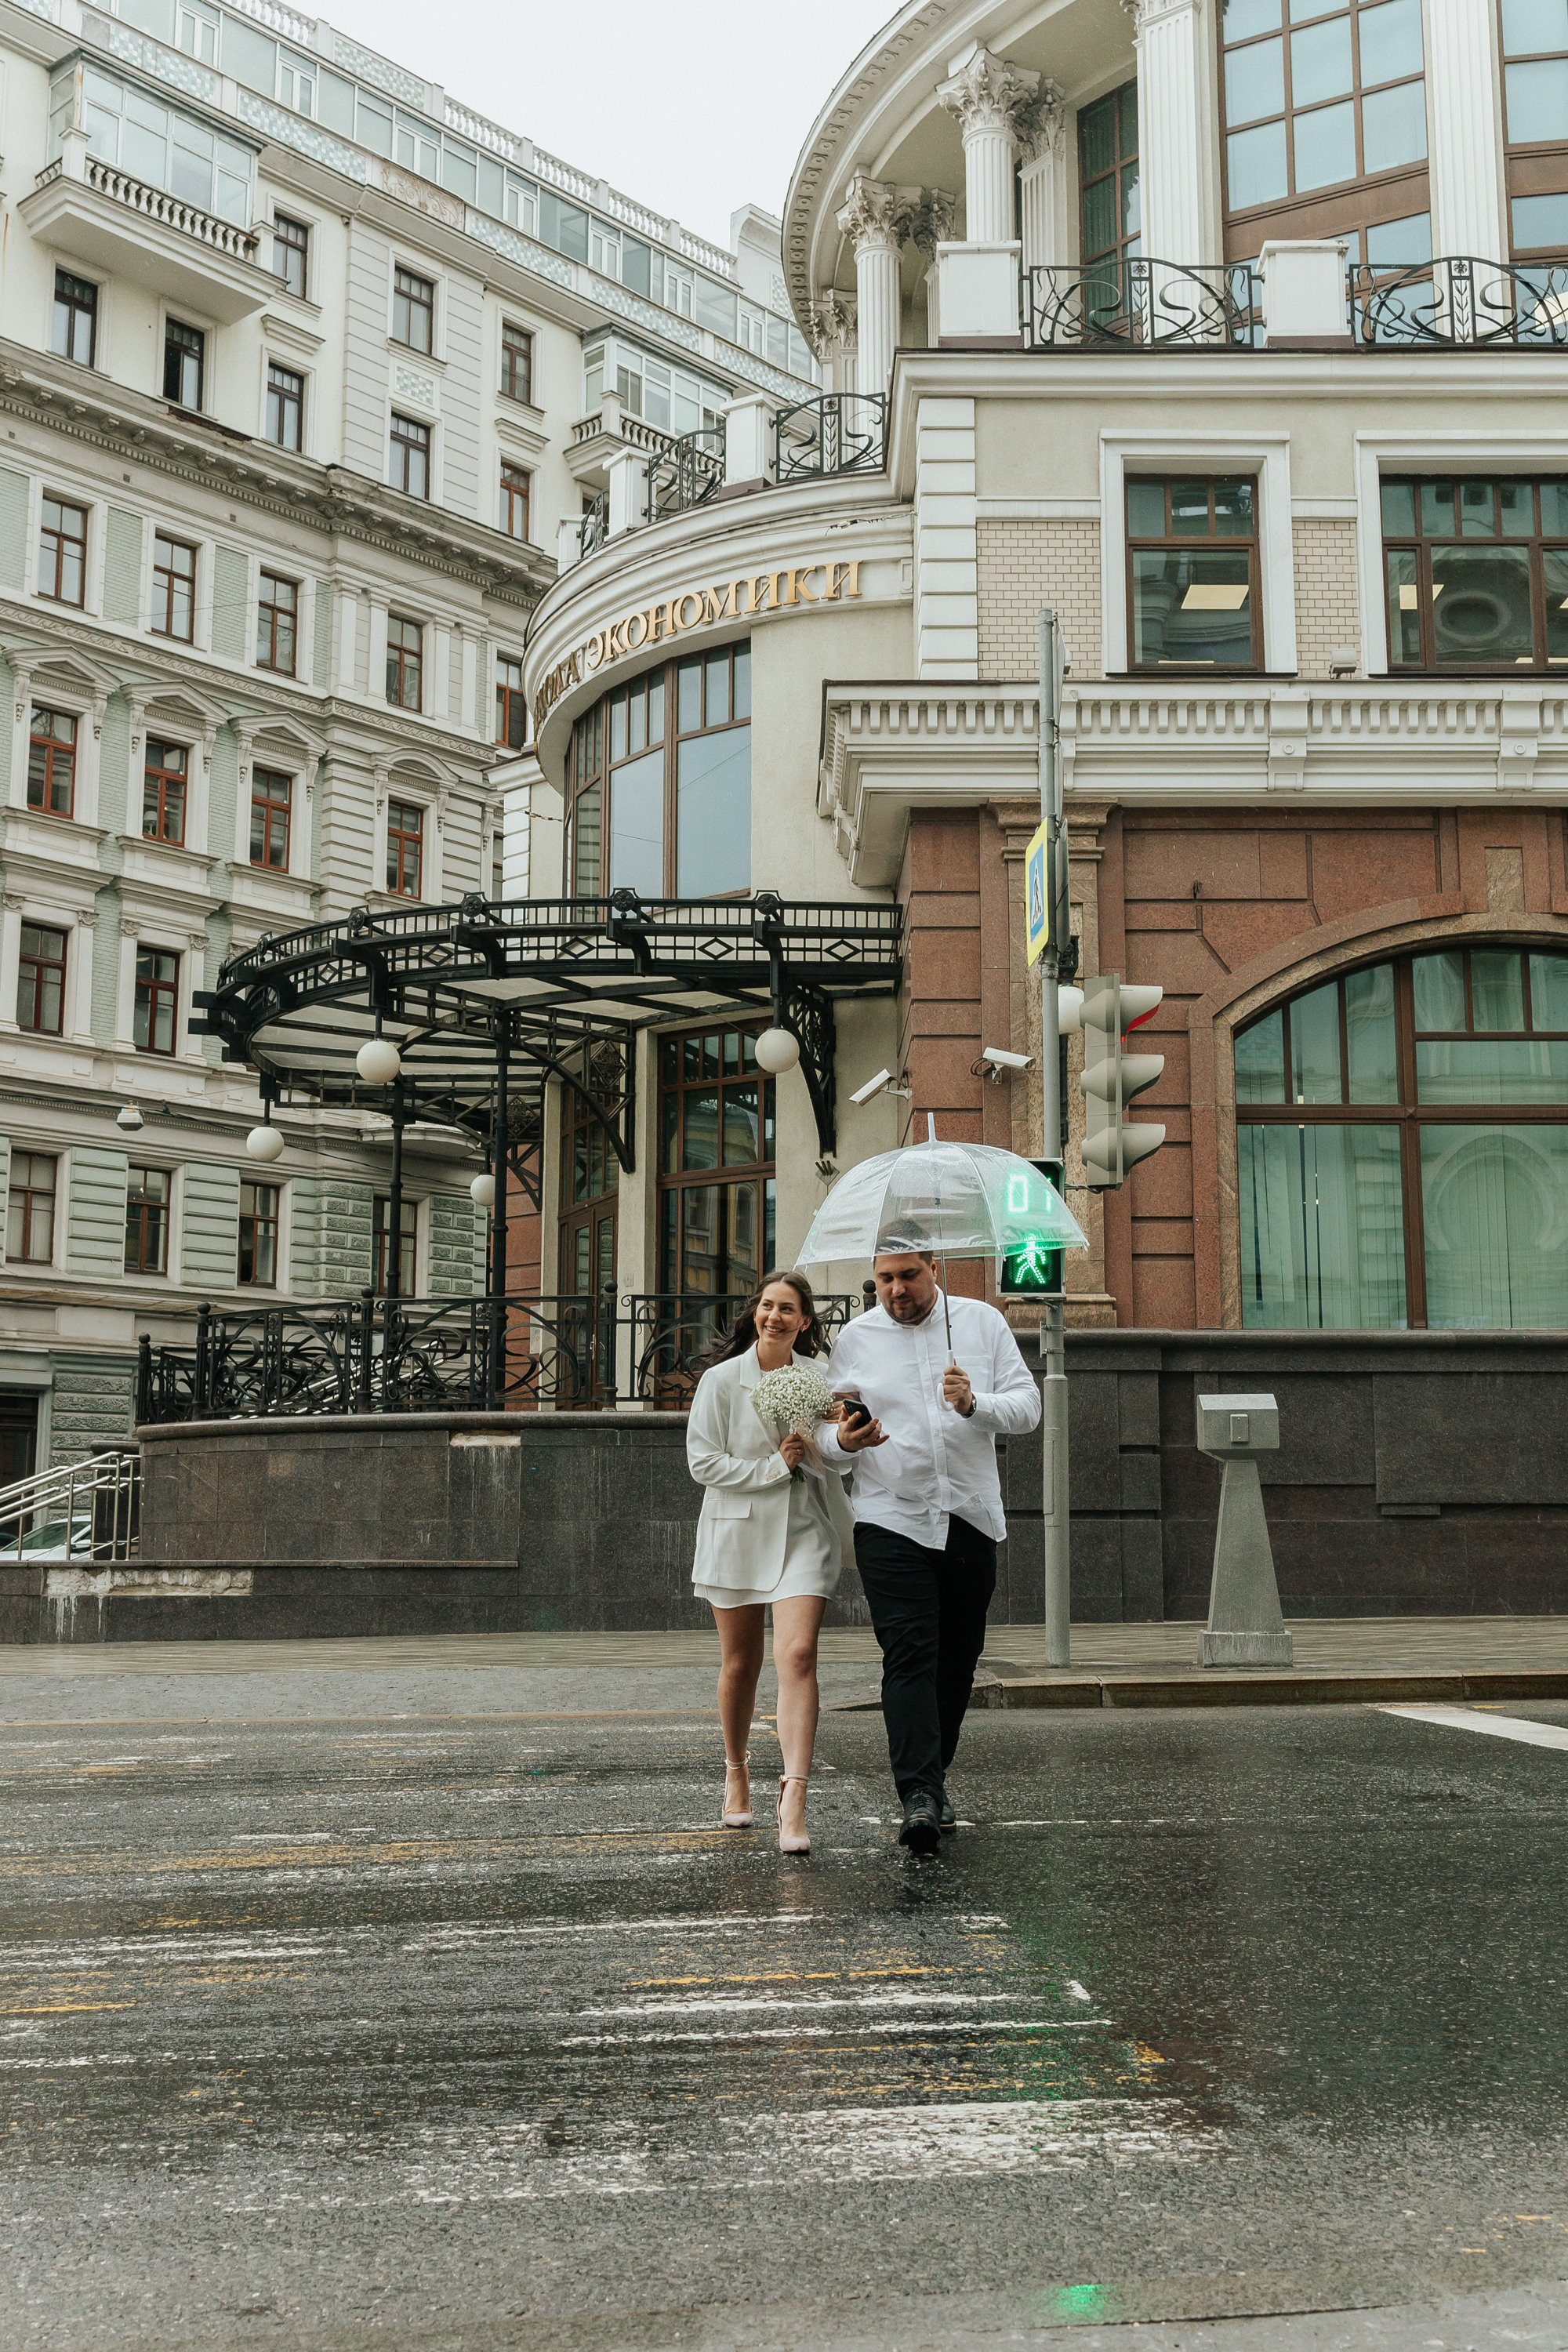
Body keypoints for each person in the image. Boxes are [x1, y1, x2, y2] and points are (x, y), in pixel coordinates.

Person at [822, 1246, 1041, 1855]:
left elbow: (1028, 1408)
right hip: (891, 1516)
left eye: (909, 1276)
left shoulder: (982, 1323)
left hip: (969, 1514)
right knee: (910, 1652)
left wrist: (976, 1404)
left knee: (958, 1658)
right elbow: (825, 1430)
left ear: (934, 1269)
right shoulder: (857, 1339)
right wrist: (843, 1438)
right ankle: (918, 1793)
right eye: (885, 1279)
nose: (897, 1290)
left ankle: (933, 1777)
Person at [686, 1269, 854, 1856]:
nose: (774, 1316)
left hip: (805, 1528)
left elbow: (840, 1463)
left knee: (800, 1656)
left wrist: (825, 1448)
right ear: (754, 1313)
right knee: (740, 1664)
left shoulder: (821, 1379)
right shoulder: (720, 1380)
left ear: (805, 1321)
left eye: (787, 1309)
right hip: (737, 1534)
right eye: (766, 1306)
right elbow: (702, 1463)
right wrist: (771, 1467)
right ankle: (736, 1769)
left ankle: (795, 1796)